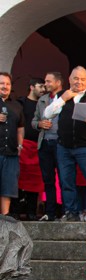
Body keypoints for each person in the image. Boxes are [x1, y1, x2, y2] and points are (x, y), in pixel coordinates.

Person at [42, 66, 86, 222]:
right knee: (66, 181)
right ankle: (70, 212)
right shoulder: (62, 95)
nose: (79, 82)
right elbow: (47, 114)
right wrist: (63, 99)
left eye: (82, 79)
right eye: (76, 78)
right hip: (64, 146)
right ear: (69, 79)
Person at [33, 71, 62, 221]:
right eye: (45, 81)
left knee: (64, 178)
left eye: (49, 81)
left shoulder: (66, 98)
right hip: (44, 143)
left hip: (61, 144)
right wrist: (39, 124)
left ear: (58, 82)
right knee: (48, 179)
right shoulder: (42, 100)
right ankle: (50, 213)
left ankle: (66, 212)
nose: (46, 84)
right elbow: (34, 121)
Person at [15, 77, 43, 220]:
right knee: (19, 180)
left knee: (35, 182)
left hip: (38, 147)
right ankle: (16, 211)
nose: (43, 89)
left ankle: (32, 212)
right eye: (40, 86)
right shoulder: (21, 103)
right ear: (32, 87)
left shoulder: (44, 104)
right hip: (23, 146)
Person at [0, 72, 24, 216]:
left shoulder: (16, 105)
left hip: (11, 153)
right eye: (2, 83)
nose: (5, 86)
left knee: (8, 187)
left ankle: (4, 218)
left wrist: (20, 145)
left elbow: (20, 128)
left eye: (8, 84)